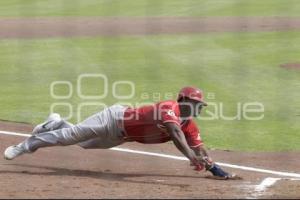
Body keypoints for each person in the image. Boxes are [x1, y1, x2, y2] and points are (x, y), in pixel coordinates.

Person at [4, 86, 235, 179]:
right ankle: (25, 146)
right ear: (183, 100)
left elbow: (198, 145)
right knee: (68, 138)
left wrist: (212, 166)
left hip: (121, 136)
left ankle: (55, 122)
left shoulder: (190, 124)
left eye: (200, 104)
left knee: (84, 143)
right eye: (195, 102)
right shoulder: (169, 108)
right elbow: (175, 134)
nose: (198, 107)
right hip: (113, 119)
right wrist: (191, 157)